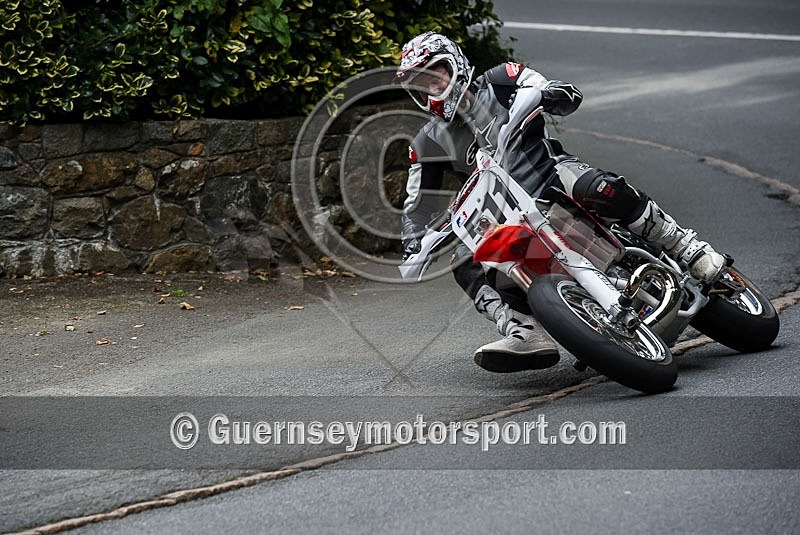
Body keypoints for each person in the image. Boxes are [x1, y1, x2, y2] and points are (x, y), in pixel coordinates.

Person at [394, 32, 726, 373]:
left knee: (595, 186)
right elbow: (416, 205)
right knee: (464, 258)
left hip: (552, 176)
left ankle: (687, 247)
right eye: (422, 83)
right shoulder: (427, 142)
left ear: (456, 64)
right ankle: (524, 329)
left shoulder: (499, 79)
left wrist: (549, 93)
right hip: (504, 215)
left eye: (437, 73)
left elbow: (557, 90)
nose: (433, 86)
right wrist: (413, 244)